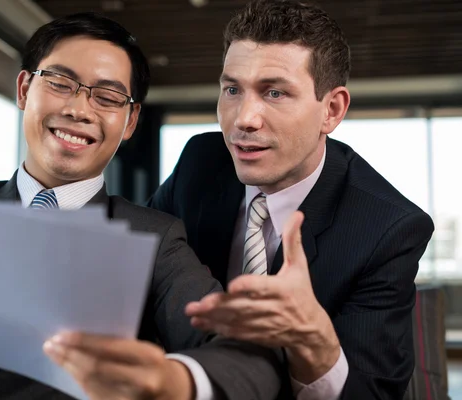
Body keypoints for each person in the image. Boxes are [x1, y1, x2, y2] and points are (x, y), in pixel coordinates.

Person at [0, 13, 283, 400]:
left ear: (131, 121)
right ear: (25, 88)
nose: (78, 109)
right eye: (60, 83)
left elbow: (248, 358)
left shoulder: (153, 239)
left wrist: (175, 379)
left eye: (107, 97)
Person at [147, 0, 434, 399]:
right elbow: (144, 264)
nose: (244, 119)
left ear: (331, 110)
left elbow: (373, 391)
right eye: (232, 89)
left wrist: (315, 342)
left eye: (275, 93)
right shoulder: (201, 162)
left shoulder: (386, 227)